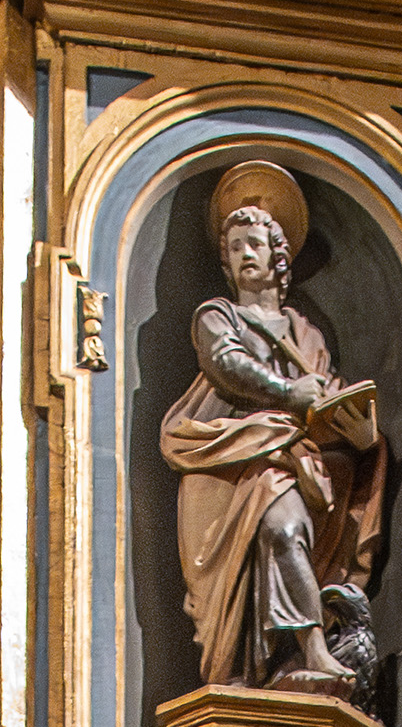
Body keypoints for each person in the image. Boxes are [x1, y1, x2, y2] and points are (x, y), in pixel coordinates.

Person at [159, 152, 387, 696]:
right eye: (234, 248)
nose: (243, 255)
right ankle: (304, 652)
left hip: (294, 458)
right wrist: (290, 394)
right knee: (282, 526)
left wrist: (358, 435)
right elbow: (228, 365)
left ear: (278, 257)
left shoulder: (307, 334)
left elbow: (326, 395)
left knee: (288, 529)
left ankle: (296, 660)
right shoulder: (218, 316)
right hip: (229, 456)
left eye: (253, 245)